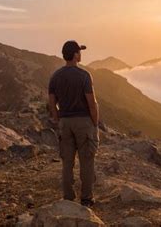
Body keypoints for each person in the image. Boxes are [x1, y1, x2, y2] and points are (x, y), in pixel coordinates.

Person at [48, 40, 100, 207]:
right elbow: (92, 103)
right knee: (86, 161)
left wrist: (57, 119)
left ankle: (68, 198)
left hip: (65, 122)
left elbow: (51, 102)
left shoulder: (55, 76)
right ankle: (86, 198)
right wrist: (95, 124)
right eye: (79, 51)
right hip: (83, 122)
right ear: (75, 55)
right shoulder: (84, 76)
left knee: (67, 162)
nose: (81, 54)